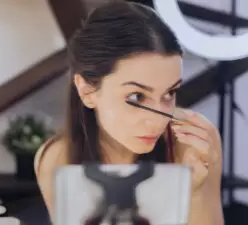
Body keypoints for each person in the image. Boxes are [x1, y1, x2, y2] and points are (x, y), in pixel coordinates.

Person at [34, 1, 224, 224]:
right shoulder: (56, 159)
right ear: (87, 91)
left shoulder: (196, 144)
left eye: (170, 93)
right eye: (137, 97)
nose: (158, 120)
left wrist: (194, 194)